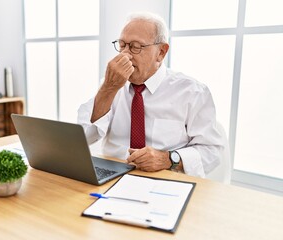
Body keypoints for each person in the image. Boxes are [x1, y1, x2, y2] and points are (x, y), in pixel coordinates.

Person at [78, 12, 224, 177]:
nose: (125, 54)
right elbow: (84, 137)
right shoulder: (111, 83)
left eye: (135, 46)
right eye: (122, 45)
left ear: (161, 52)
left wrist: (168, 159)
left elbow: (212, 151)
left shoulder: (192, 92)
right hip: (111, 175)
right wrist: (108, 88)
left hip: (164, 180)